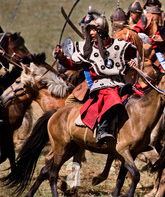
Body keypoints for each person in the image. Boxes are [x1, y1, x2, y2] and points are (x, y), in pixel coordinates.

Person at [53, 15, 138, 144]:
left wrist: (130, 64)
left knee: (140, 97)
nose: (91, 33)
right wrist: (62, 58)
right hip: (102, 85)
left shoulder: (119, 46)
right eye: (90, 30)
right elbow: (73, 65)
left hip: (120, 82)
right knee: (112, 96)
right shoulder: (87, 49)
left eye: (94, 30)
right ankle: (102, 129)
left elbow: (129, 60)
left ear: (102, 31)